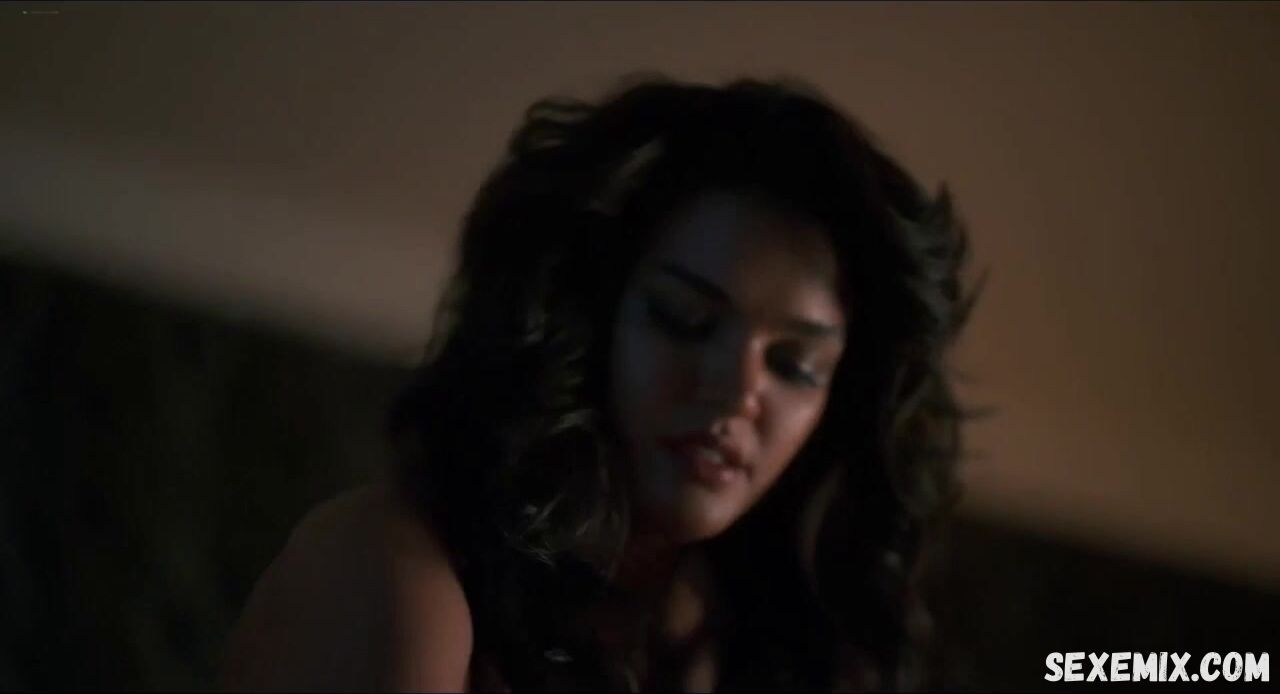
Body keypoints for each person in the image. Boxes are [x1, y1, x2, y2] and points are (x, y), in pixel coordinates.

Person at [220, 75, 977, 692]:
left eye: (794, 366)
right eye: (684, 320)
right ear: (589, 313)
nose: (737, 391)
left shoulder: (734, 644)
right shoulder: (391, 581)